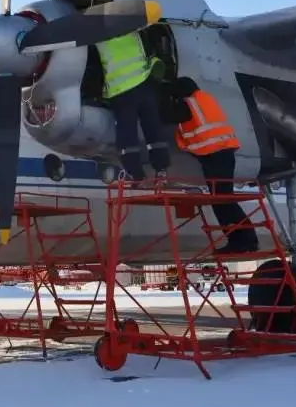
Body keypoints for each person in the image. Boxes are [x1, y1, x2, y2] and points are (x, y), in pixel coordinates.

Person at [165, 76, 258, 253]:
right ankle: (241, 240)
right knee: (222, 200)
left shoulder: (188, 105)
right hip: (220, 153)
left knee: (223, 200)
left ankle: (245, 240)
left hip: (217, 155)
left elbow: (167, 115)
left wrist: (163, 97)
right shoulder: (204, 98)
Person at [95, 29, 171, 186]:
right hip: (144, 85)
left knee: (127, 133)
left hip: (122, 91)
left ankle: (136, 174)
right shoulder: (132, 29)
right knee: (153, 128)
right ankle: (161, 171)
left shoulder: (98, 36)